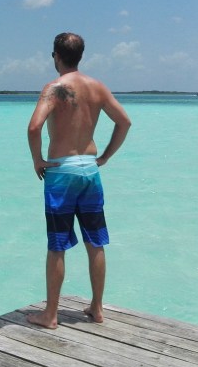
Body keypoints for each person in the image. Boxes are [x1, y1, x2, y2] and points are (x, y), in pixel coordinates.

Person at [26, 32, 131, 328]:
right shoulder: (97, 87)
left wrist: (37, 160)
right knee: (95, 241)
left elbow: (34, 127)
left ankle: (51, 314)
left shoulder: (55, 88)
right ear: (80, 56)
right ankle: (97, 308)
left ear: (56, 56)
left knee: (57, 245)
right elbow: (124, 122)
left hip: (61, 172)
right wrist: (105, 156)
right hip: (90, 169)